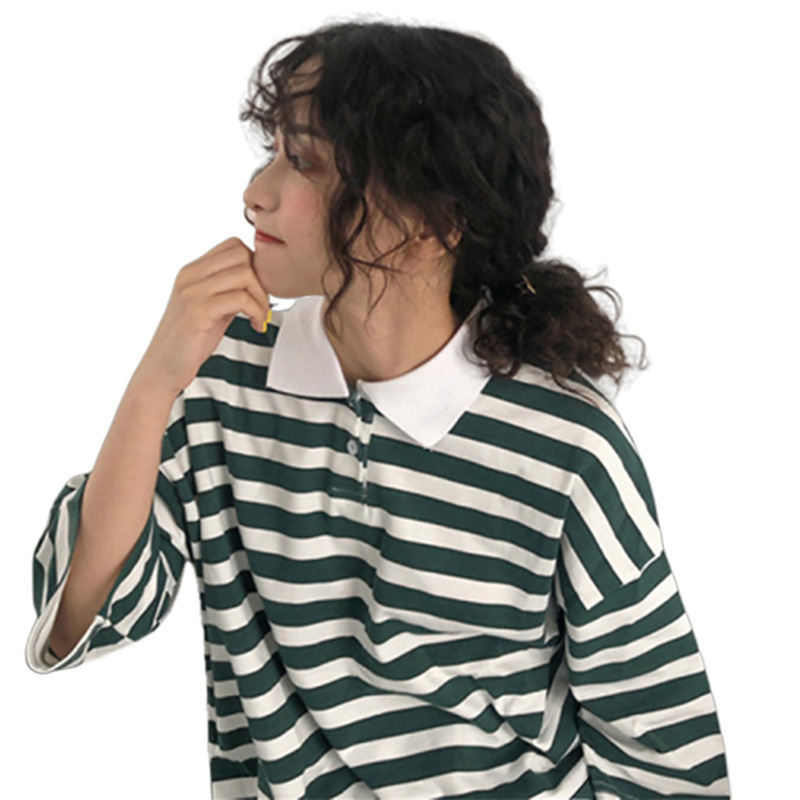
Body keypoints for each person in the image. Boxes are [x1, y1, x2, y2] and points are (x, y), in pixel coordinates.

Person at [24, 18, 730, 799]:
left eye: (303, 162)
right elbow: (89, 611)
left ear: (430, 221)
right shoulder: (220, 383)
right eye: (271, 152)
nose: (256, 193)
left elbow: (662, 745)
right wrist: (154, 381)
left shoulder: (566, 441)